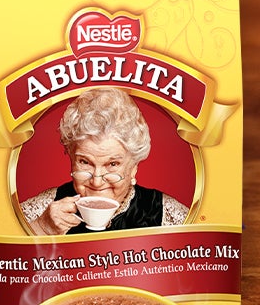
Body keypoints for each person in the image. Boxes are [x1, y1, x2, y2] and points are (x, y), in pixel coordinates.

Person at [20, 87, 189, 235]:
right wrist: (41, 228)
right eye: (85, 162)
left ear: (134, 168)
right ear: (71, 158)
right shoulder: (43, 209)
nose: (97, 181)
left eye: (112, 164)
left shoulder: (165, 214)